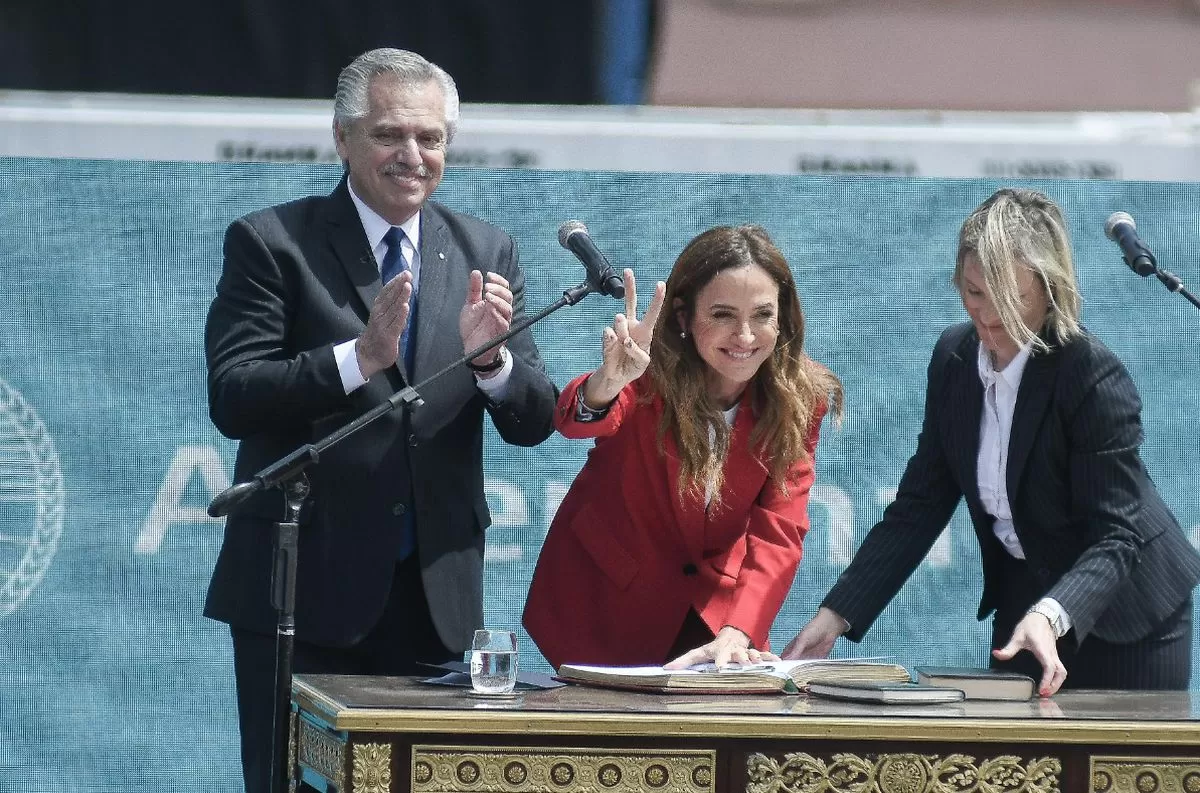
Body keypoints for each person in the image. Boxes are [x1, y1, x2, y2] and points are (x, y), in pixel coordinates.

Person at [202, 48, 557, 792]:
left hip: (433, 601)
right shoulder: (273, 243)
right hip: (303, 594)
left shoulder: (484, 250)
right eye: (391, 134)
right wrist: (357, 359)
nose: (413, 155)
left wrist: (490, 363)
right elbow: (235, 393)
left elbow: (532, 418)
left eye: (431, 139)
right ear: (342, 137)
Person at [782, 187, 1200, 696]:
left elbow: (1116, 535)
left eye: (1010, 297)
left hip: (1128, 614)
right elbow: (920, 506)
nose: (988, 315)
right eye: (975, 292)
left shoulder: (1090, 372)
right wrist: (836, 614)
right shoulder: (953, 358)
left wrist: (1052, 614)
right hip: (1025, 604)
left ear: (1050, 290)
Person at [523, 225, 843, 670]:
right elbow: (579, 420)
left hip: (718, 618)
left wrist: (739, 628)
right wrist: (608, 382)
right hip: (604, 602)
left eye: (763, 315)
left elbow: (779, 531)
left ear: (784, 317)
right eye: (723, 315)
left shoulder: (801, 397)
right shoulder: (644, 370)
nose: (745, 336)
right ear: (683, 316)